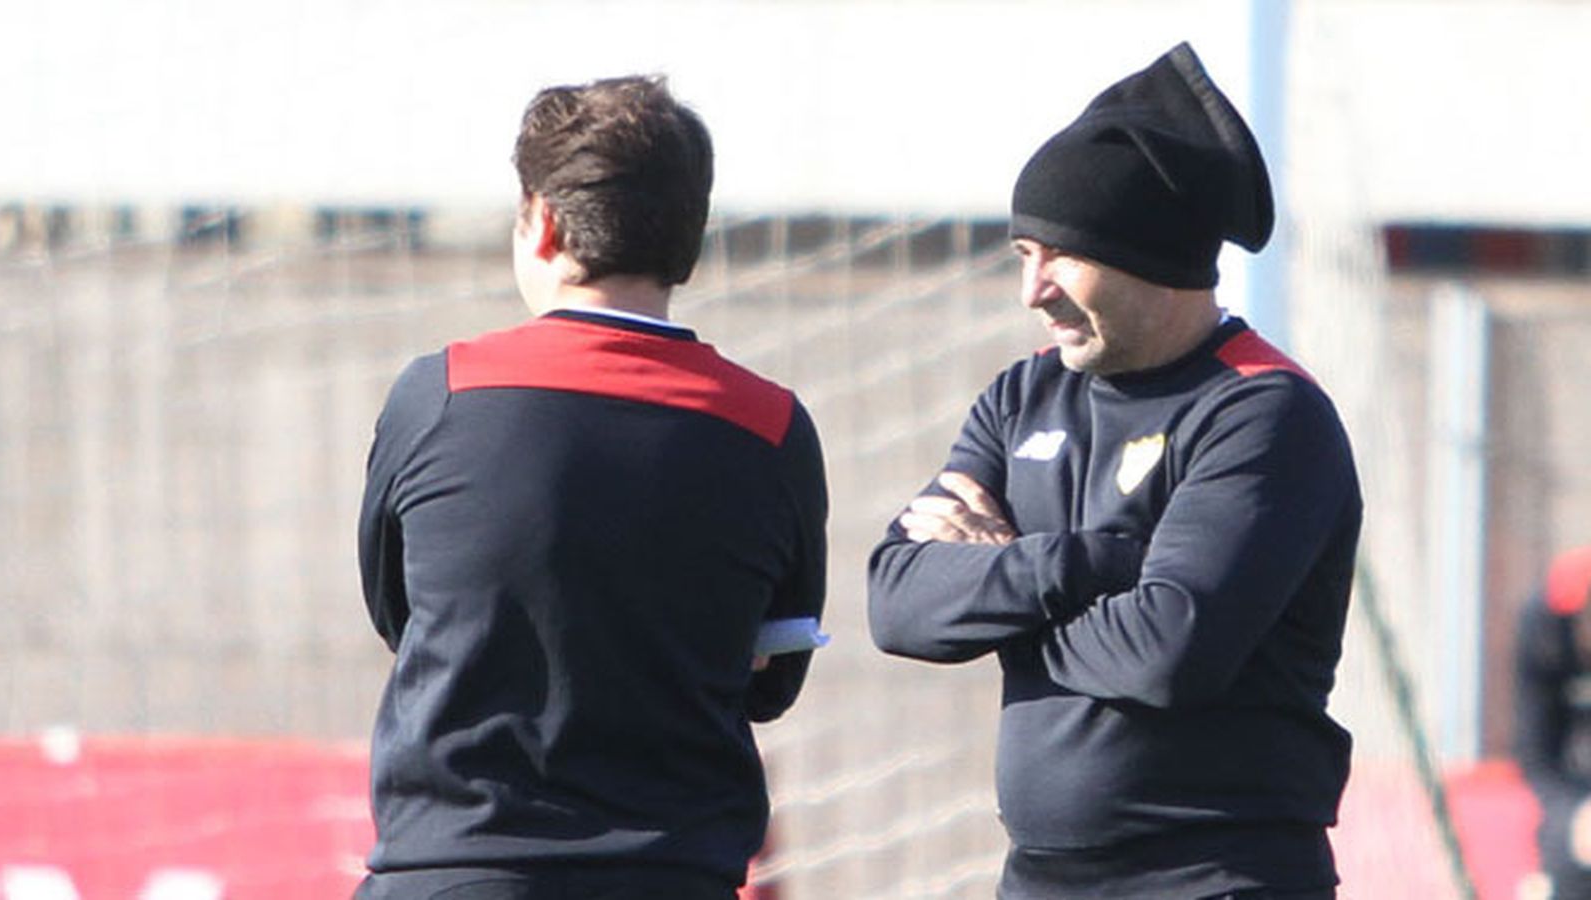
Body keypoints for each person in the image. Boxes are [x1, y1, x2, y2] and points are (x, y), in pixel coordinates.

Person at [867, 42, 1362, 899]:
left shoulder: (1264, 412)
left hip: (1215, 877)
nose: (1033, 289)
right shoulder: (1024, 397)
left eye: (1059, 255)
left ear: (1155, 260)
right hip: (1039, 879)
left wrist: (999, 576)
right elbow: (898, 602)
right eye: (1023, 254)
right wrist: (1082, 562)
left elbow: (1168, 651)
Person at [355, 75, 828, 900]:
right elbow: (771, 678)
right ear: (690, 236)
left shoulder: (441, 396)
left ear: (541, 224)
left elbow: (400, 615)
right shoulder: (771, 428)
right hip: (673, 875)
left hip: (456, 872)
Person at [1515, 545, 1591, 898]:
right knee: (1566, 850)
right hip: (1575, 792)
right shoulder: (1546, 638)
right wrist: (1571, 817)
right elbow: (1537, 753)